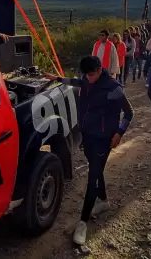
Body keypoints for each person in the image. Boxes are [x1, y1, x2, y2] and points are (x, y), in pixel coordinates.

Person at [53, 56, 134, 246]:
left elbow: (129, 112)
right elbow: (77, 82)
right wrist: (57, 79)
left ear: (99, 70)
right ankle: (103, 201)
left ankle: (82, 222)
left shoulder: (113, 88)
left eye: (91, 75)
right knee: (96, 169)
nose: (88, 78)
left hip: (104, 138)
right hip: (88, 136)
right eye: (86, 75)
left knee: (92, 177)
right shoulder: (87, 80)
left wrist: (119, 133)